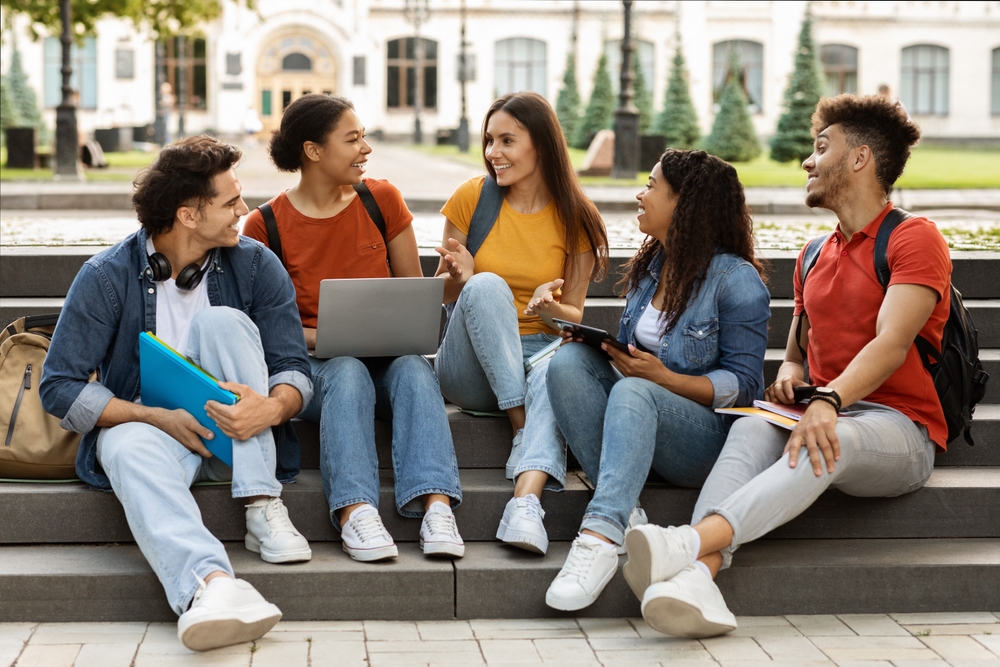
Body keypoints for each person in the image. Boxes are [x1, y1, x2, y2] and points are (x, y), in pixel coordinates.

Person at [626, 94, 947, 638]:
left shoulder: (915, 237)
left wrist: (828, 401)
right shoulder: (813, 253)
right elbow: (797, 355)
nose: (807, 160)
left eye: (822, 147)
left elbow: (891, 343)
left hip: (897, 428)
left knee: (828, 440)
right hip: (819, 410)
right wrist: (792, 378)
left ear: (860, 158)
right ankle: (698, 580)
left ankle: (684, 543)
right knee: (753, 424)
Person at [39, 135, 314, 651]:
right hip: (163, 442)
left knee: (222, 324)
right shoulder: (105, 276)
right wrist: (154, 417)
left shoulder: (256, 264)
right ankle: (212, 588)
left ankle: (260, 503)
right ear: (188, 215)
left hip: (243, 441)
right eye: (230, 201)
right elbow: (59, 388)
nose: (245, 210)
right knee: (120, 443)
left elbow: (295, 369)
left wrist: (272, 406)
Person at [541, 150, 771, 611]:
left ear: (684, 204)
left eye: (651, 185)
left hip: (705, 439)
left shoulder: (736, 279)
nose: (640, 194)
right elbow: (631, 355)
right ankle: (628, 515)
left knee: (636, 389)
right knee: (565, 364)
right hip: (641, 416)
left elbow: (745, 385)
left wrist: (665, 379)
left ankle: (600, 537)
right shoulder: (652, 267)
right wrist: (586, 340)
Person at [242, 94, 464, 562]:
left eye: (364, 137)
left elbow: (414, 295)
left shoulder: (381, 199)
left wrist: (453, 282)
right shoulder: (263, 226)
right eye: (353, 139)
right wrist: (322, 339)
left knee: (412, 368)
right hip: (314, 370)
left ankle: (437, 508)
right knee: (344, 368)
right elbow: (260, 325)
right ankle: (355, 512)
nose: (365, 148)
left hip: (384, 361)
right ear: (314, 151)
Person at [432, 92, 608, 552]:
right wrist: (461, 277)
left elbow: (573, 315)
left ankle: (524, 507)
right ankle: (522, 425)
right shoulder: (472, 198)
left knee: (559, 366)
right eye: (490, 140)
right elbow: (443, 298)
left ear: (542, 146)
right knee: (487, 286)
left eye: (507, 140)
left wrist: (548, 309)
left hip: (539, 357)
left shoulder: (578, 219)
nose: (493, 153)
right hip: (469, 368)